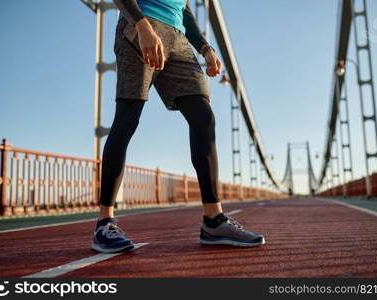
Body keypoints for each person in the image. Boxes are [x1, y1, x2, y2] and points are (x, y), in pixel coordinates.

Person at [92, 0, 265, 253]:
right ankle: (104, 223)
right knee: (127, 119)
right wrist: (142, 26)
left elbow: (183, 11)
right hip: (141, 28)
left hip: (179, 40)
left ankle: (213, 221)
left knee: (203, 118)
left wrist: (205, 48)